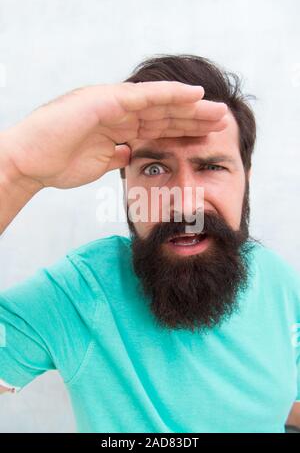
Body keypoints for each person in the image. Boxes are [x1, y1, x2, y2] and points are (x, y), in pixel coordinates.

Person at [0, 55, 299, 433]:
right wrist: (14, 168)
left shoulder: (280, 281)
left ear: (246, 179)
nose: (185, 202)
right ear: (125, 184)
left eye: (211, 167)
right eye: (155, 169)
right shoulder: (79, 294)